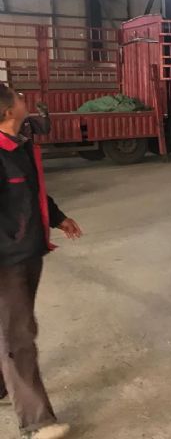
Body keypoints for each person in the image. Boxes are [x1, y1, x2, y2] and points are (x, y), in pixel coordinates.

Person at [0, 85, 81, 439]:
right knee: (18, 337)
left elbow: (31, 193)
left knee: (9, 328)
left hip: (28, 251)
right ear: (8, 112)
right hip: (7, 260)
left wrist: (58, 218)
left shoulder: (19, 146)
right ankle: (37, 422)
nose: (24, 101)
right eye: (18, 98)